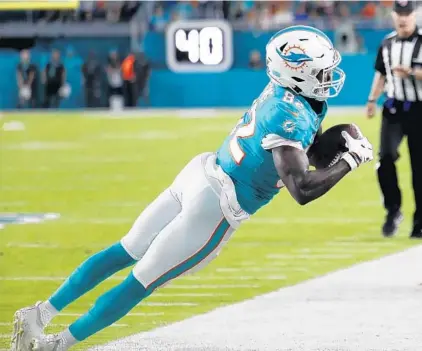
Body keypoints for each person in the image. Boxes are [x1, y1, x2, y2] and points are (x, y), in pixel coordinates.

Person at [11, 25, 373, 351]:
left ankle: (38, 315)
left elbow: (302, 150)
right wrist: (349, 161)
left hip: (200, 172)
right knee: (140, 281)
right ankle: (54, 345)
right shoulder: (289, 114)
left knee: (126, 249)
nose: (327, 75)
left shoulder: (288, 96)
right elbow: (302, 189)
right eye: (318, 69)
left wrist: (338, 139)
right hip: (218, 205)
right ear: (296, 73)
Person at [366, 0, 422, 238]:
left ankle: (420, 220)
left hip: (420, 109)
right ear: (393, 15)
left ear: (415, 15)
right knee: (385, 158)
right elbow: (381, 74)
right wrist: (371, 100)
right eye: (399, 13)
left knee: (419, 168)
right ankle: (393, 210)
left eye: (407, 13)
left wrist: (412, 73)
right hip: (394, 108)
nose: (403, 18)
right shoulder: (387, 43)